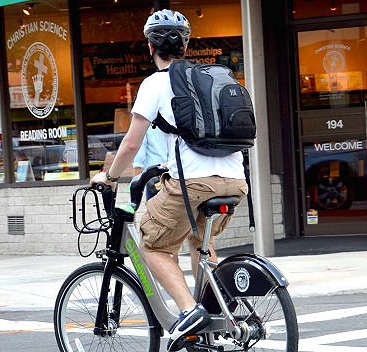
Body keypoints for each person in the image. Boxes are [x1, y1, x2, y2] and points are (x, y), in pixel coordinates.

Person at [90, 9, 248, 350]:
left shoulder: (155, 83)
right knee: (199, 242)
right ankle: (221, 309)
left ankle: (190, 312)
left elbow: (132, 142)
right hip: (235, 179)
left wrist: (109, 175)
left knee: (153, 244)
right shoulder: (210, 76)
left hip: (193, 183)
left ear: (150, 47)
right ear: (187, 44)